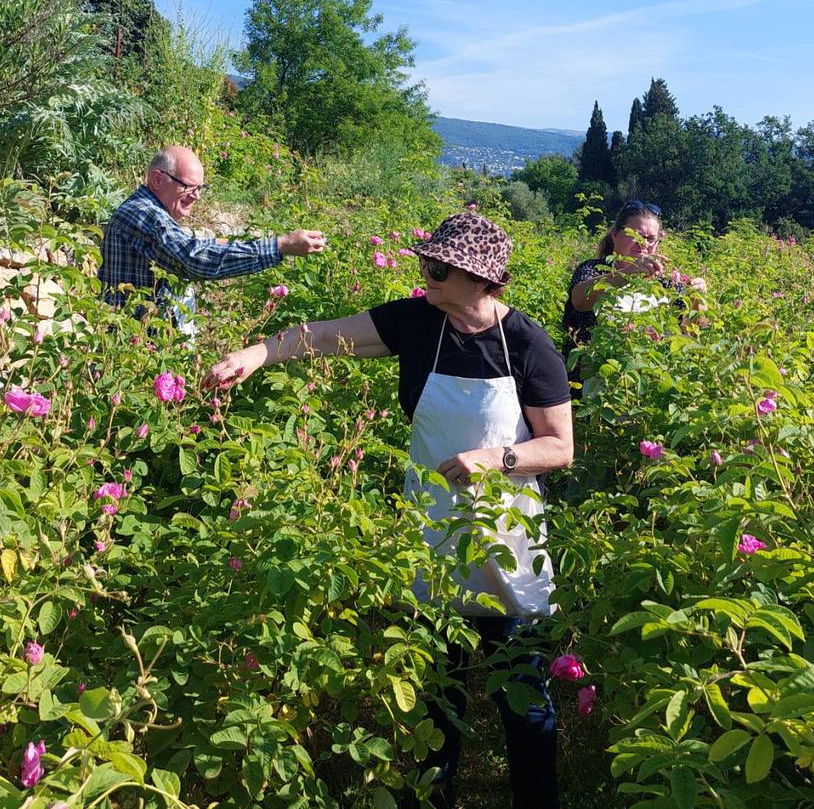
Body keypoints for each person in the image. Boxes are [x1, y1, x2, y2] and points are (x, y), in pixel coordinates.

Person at [204, 211, 573, 808]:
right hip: (430, 523)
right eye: (427, 260)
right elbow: (322, 335)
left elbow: (559, 447)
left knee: (522, 691)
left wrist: (494, 459)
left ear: (480, 280)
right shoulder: (417, 321)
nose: (424, 271)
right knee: (436, 688)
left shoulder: (527, 343)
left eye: (439, 266)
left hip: (504, 530)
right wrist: (259, 354)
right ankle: (433, 798)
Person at [98, 145, 325, 330]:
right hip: (132, 347)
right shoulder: (144, 214)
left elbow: (184, 244)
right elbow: (193, 258)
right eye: (189, 187)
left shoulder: (149, 211)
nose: (196, 196)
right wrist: (280, 246)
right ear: (158, 179)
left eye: (200, 188)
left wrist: (228, 242)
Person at [562, 201, 705, 373]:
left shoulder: (666, 284)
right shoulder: (594, 269)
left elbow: (691, 331)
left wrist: (697, 302)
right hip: (593, 383)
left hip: (649, 382)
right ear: (615, 235)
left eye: (651, 238)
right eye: (636, 235)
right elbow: (579, 300)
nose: (643, 244)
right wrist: (629, 273)